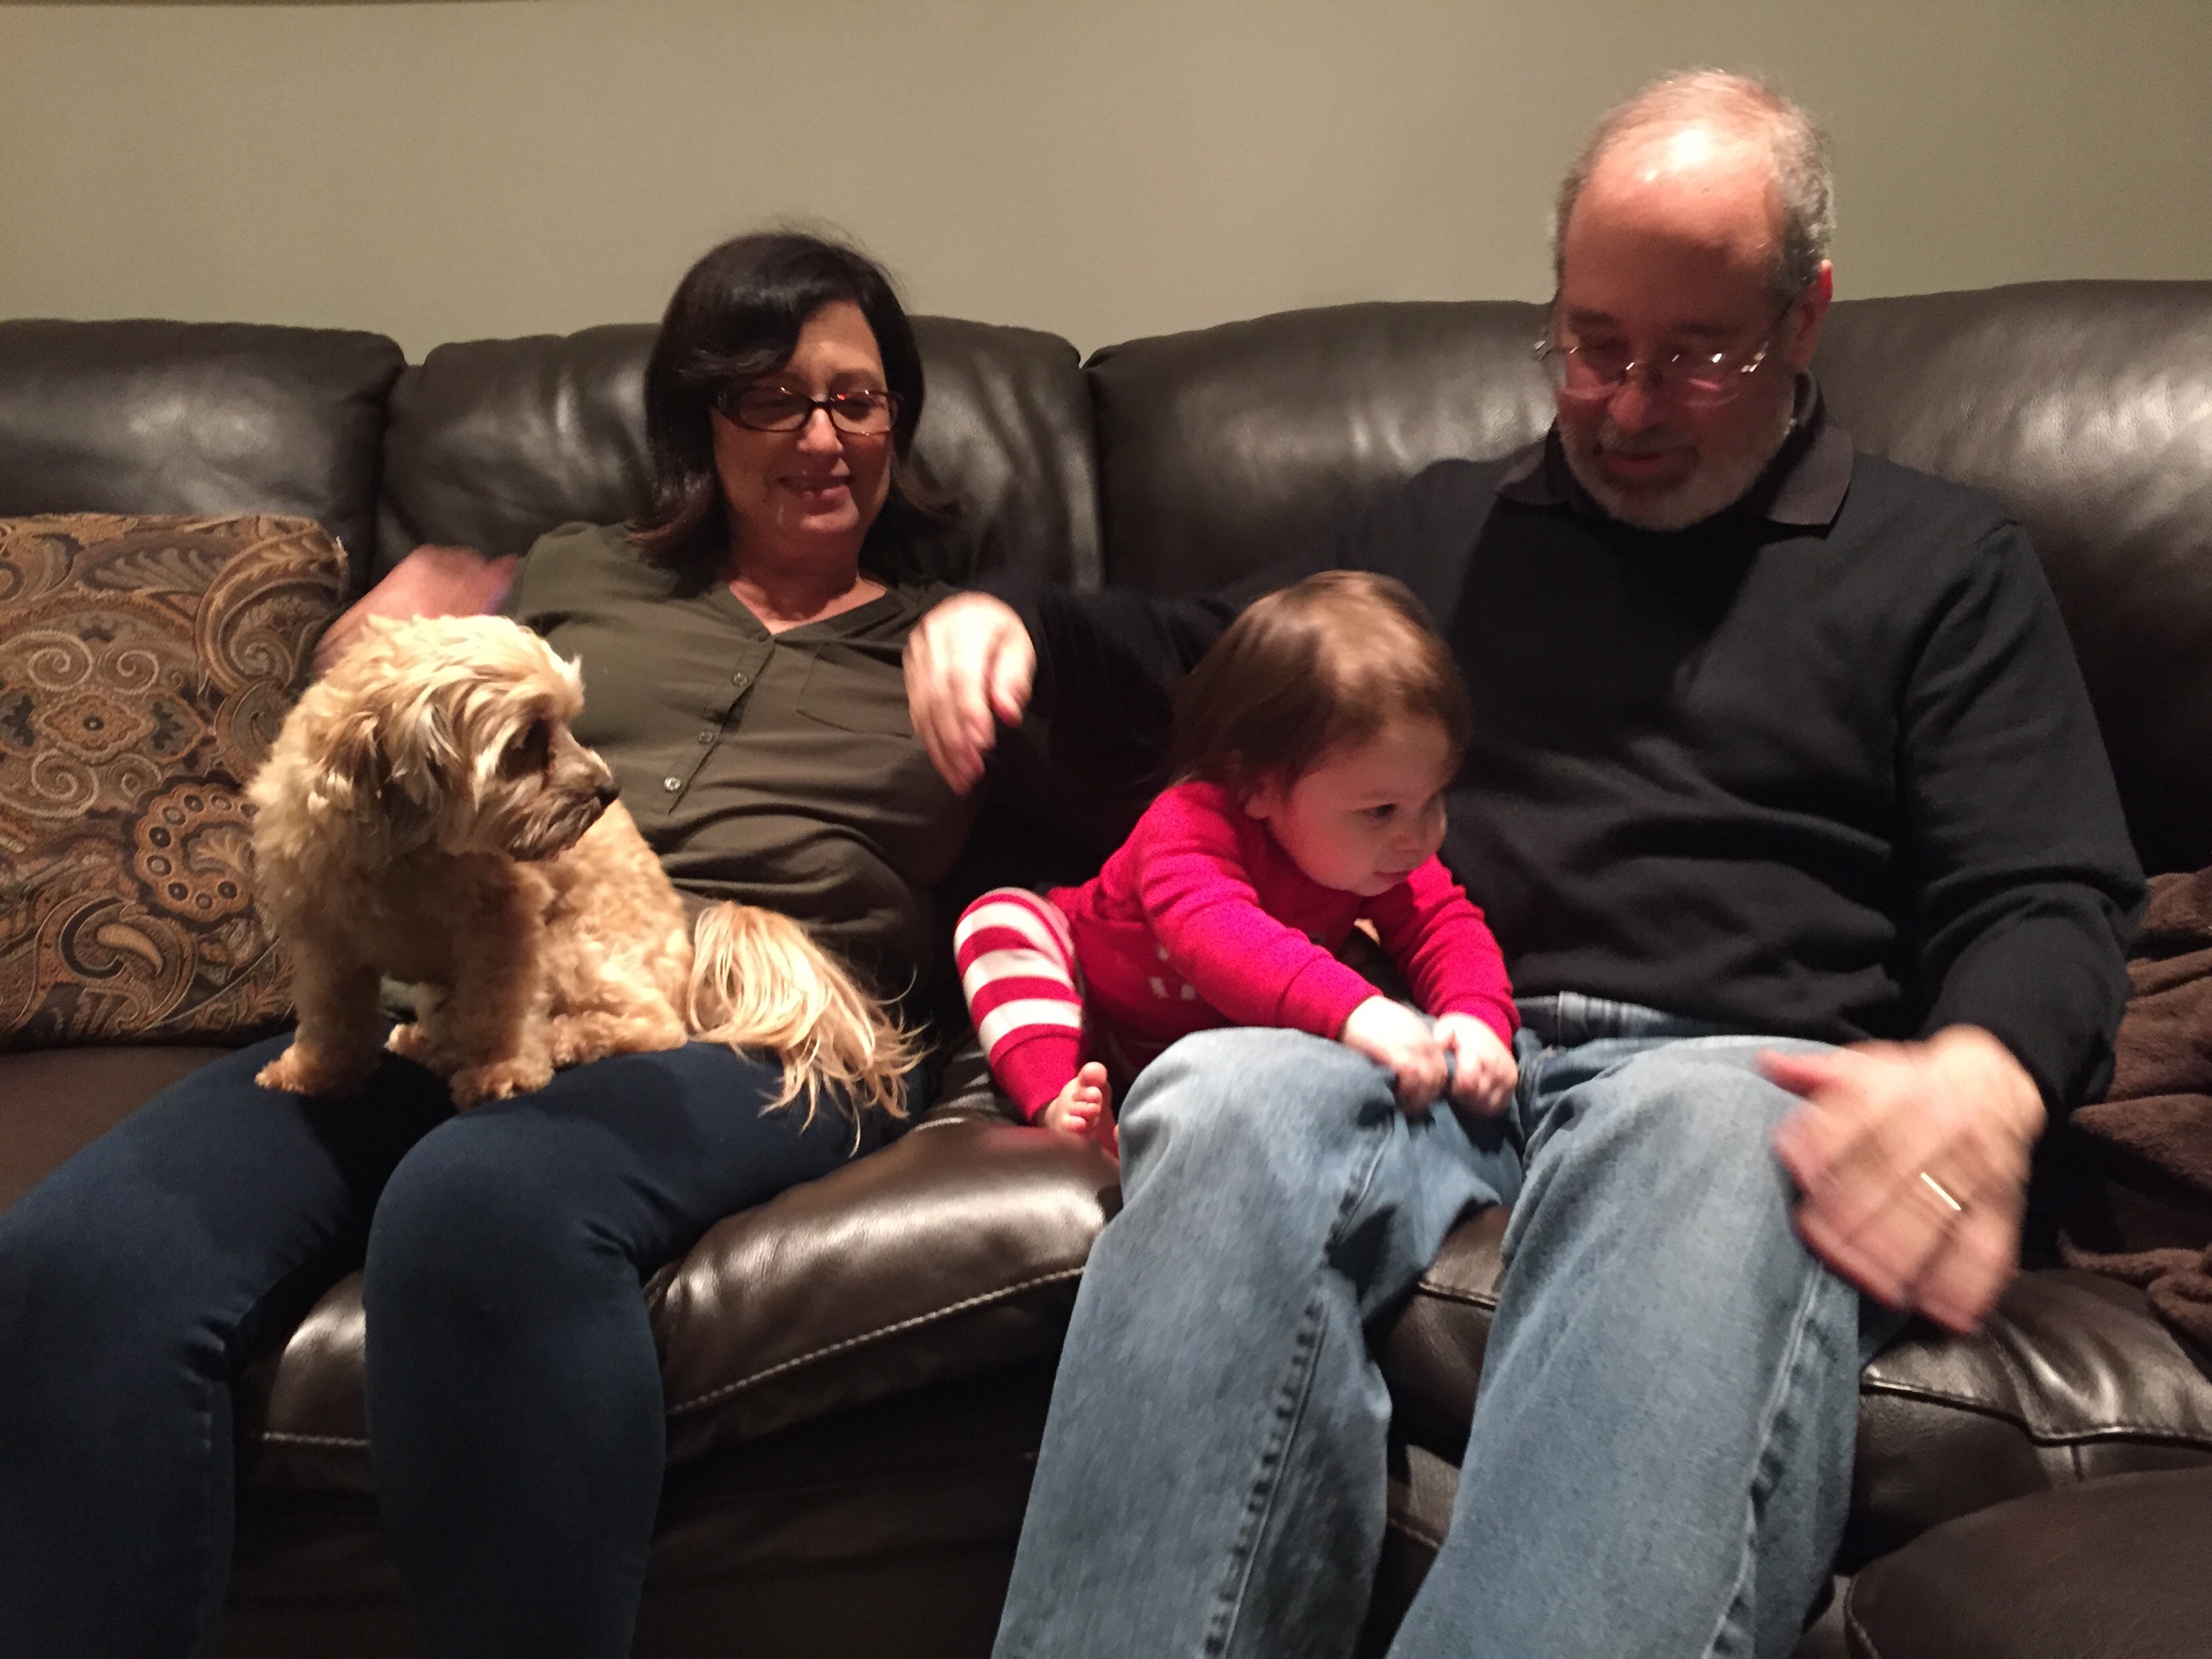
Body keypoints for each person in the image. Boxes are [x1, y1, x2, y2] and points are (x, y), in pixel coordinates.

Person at [905, 72, 2145, 1658]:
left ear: (1805, 318)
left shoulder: (1945, 563)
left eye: (1695, 356)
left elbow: (2046, 888)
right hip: (1425, 1039)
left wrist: (1989, 1069)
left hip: (1723, 1073)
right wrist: (1013, 623)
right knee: (1220, 1091)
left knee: (1705, 1127)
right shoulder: (1445, 528)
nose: (1625, 407)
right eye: (1591, 345)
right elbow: (1207, 661)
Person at [0, 232, 976, 1659]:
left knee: (482, 1203)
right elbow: (398, 734)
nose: (824, 436)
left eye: (860, 399)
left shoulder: (963, 634)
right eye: (772, 397)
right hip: (467, 972)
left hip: (756, 1019)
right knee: (81, 1260)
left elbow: (1180, 772)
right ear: (699, 417)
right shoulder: (579, 570)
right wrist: (370, 635)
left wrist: (1020, 639)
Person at [956, 570, 1518, 1149]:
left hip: (1219, 1049)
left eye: (1434, 799)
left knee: (1373, 969)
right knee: (998, 919)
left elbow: (1445, 925)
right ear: (1257, 786)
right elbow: (1216, 936)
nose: (1421, 836)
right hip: (1094, 1008)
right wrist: (1356, 1012)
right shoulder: (1185, 824)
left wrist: (1477, 1018)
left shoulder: (1382, 857)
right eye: (1381, 811)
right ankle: (1058, 1102)